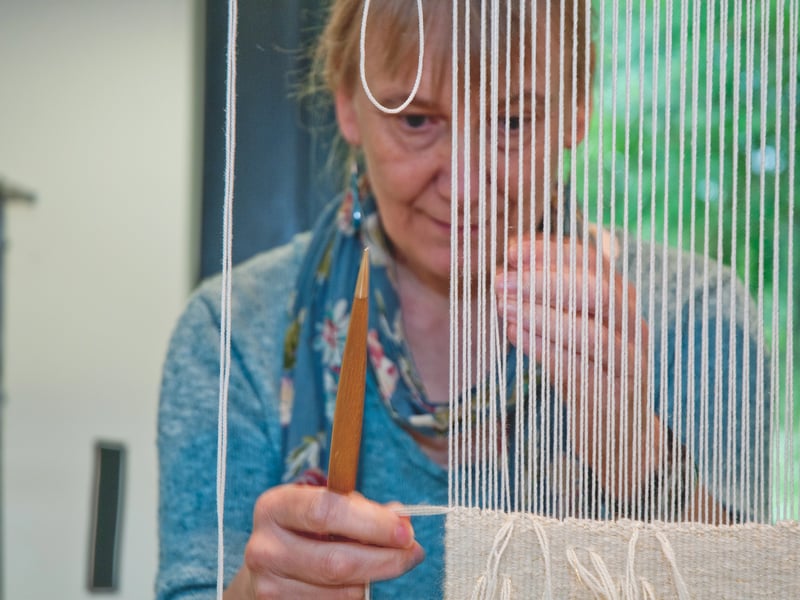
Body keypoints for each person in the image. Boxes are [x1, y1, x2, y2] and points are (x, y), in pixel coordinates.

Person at [157, 1, 769, 598]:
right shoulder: (233, 332)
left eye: (512, 122)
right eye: (415, 120)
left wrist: (641, 461)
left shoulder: (695, 318)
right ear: (347, 103)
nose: (464, 188)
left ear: (577, 108)